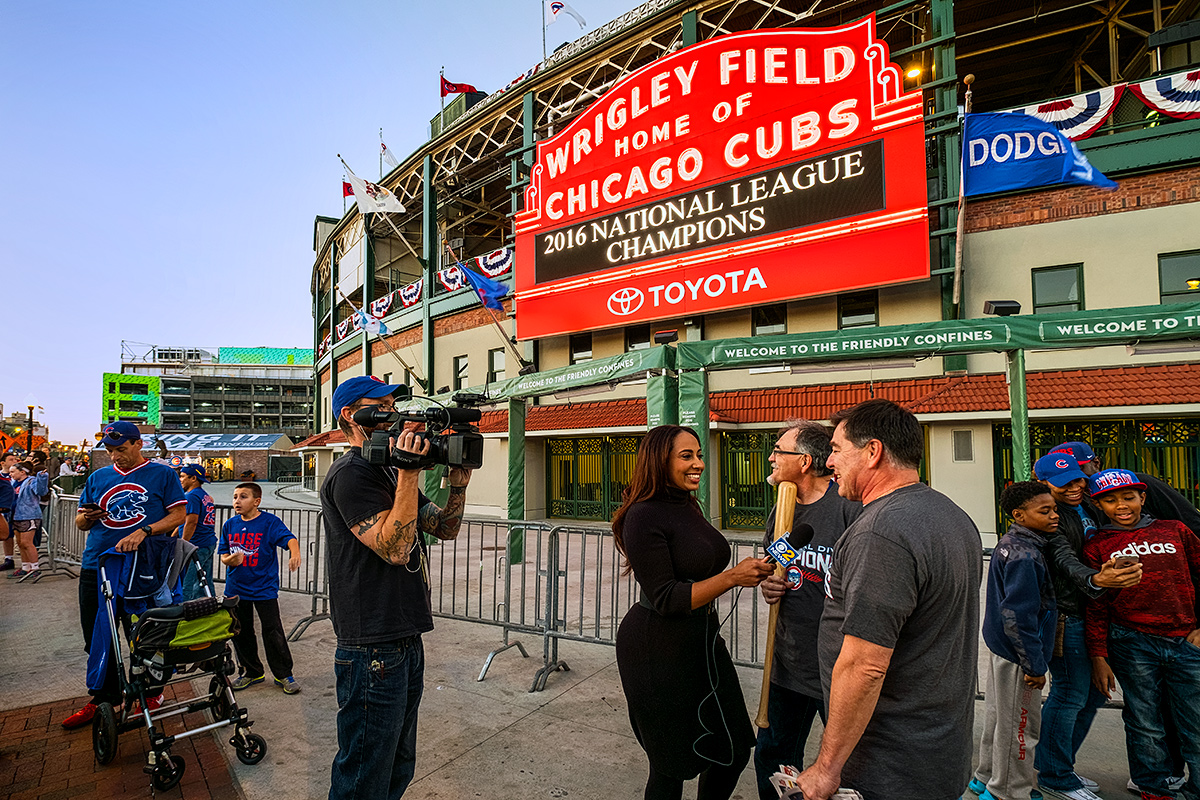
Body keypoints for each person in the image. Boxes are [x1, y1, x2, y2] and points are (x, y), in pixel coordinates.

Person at [796, 399, 981, 800]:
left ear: (873, 452)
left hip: (892, 763)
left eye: (837, 450)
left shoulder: (881, 533)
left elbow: (865, 666)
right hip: (938, 747)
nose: (830, 462)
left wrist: (827, 769)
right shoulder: (951, 514)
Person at [319, 375, 473, 800]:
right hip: (371, 645)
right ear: (351, 415)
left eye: (394, 404)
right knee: (364, 775)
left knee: (398, 766)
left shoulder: (388, 469)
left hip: (403, 638)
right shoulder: (352, 474)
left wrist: (457, 483)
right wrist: (408, 475)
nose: (394, 414)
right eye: (381, 406)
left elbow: (443, 527)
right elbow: (395, 549)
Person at [612, 424, 773, 800]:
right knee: (670, 765)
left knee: (731, 749)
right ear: (659, 461)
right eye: (687, 456)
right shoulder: (642, 515)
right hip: (655, 650)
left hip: (702, 643)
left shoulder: (687, 503)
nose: (698, 463)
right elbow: (666, 597)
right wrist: (733, 577)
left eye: (699, 454)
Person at [755, 420, 860, 800]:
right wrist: (768, 581)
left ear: (803, 461)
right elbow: (771, 561)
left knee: (848, 767)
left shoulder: (847, 508)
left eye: (778, 450)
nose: (770, 457)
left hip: (837, 667)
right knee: (774, 757)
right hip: (787, 662)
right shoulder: (782, 509)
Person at [1083, 469, 1200, 800]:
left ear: (1142, 498)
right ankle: (1151, 783)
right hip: (1132, 642)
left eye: (1128, 497)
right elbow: (1097, 605)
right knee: (1143, 719)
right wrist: (1098, 656)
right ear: (1099, 505)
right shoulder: (1098, 545)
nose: (1121, 505)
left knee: (1194, 718)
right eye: (1110, 499)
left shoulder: (1175, 530)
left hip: (1184, 641)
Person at [1032, 452, 1143, 800]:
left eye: (1079, 478)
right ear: (1045, 485)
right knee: (1070, 694)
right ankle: (1054, 774)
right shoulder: (1051, 517)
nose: (1076, 486)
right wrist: (1097, 578)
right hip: (1068, 615)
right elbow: (1063, 558)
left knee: (1094, 694)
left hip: (1093, 612)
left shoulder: (1089, 504)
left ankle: (1060, 765)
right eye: (1065, 484)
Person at [62, 421, 186, 729]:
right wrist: (86, 518)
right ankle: (106, 699)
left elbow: (178, 514)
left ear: (137, 444)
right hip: (97, 566)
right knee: (97, 636)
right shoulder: (98, 477)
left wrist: (145, 531)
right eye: (110, 451)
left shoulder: (162, 474)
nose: (116, 456)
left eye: (121, 449)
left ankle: (148, 693)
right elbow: (80, 523)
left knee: (146, 636)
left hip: (143, 570)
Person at [971, 482, 1060, 800]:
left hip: (1003, 650)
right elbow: (1019, 615)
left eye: (1053, 509)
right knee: (1021, 727)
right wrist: (1035, 664)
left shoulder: (1012, 544)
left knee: (999, 719)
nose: (1054, 516)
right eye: (1044, 511)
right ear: (1019, 515)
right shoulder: (1025, 554)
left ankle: (986, 776)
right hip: (1019, 657)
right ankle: (1009, 790)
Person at [218, 482, 301, 694]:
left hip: (264, 588)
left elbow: (289, 539)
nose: (237, 501)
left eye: (243, 497)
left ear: (257, 501)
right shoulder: (230, 525)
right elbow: (223, 555)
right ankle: (251, 672)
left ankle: (283, 674)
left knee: (272, 631)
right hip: (237, 588)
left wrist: (295, 553)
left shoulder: (269, 523)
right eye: (235, 496)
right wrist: (229, 561)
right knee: (241, 632)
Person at [1050, 441, 1200, 534]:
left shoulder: (1137, 482)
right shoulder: (1062, 502)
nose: (1074, 480)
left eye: (1079, 469)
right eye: (1065, 474)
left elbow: (1191, 521)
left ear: (1096, 463)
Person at [177, 464, 217, 600]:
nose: (180, 479)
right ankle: (210, 604)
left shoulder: (192, 497)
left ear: (193, 478)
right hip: (207, 542)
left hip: (196, 544)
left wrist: (183, 544)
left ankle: (186, 609)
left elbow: (191, 522)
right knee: (204, 579)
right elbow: (182, 520)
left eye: (182, 476)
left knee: (188, 582)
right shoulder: (203, 495)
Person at [8, 461, 49, 578]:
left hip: (29, 515)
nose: (10, 474)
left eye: (13, 472)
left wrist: (42, 478)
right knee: (20, 543)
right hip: (15, 515)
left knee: (27, 543)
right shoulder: (13, 483)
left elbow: (41, 491)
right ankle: (25, 567)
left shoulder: (31, 481)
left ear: (22, 472)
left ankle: (35, 568)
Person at [0, 452, 17, 571]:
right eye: (11, 459)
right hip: (5, 511)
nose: (15, 461)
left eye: (15, 459)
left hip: (17, 510)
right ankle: (8, 558)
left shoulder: (18, 476)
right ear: (3, 463)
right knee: (7, 536)